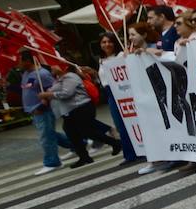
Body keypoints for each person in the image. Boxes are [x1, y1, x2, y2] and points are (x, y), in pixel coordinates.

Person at [41, 63, 119, 168]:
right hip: (70, 111)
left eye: (54, 65)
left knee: (87, 131)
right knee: (72, 132)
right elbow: (54, 90)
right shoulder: (59, 79)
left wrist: (48, 95)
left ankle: (115, 143)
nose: (51, 67)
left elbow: (67, 93)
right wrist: (46, 95)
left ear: (63, 67)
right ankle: (84, 157)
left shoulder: (70, 76)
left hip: (81, 107)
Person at [96, 32, 141, 167]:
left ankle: (141, 150)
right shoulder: (101, 60)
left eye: (109, 41)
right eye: (103, 42)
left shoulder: (121, 55)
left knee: (133, 121)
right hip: (110, 93)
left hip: (123, 91)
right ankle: (130, 153)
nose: (106, 44)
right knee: (120, 124)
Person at [19, 51, 62, 174]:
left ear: (27, 61)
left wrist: (44, 102)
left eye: (20, 60)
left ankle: (52, 162)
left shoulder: (42, 73)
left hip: (43, 110)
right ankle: (78, 144)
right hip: (33, 111)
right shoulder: (25, 74)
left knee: (46, 136)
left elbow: (53, 88)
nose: (18, 63)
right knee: (50, 134)